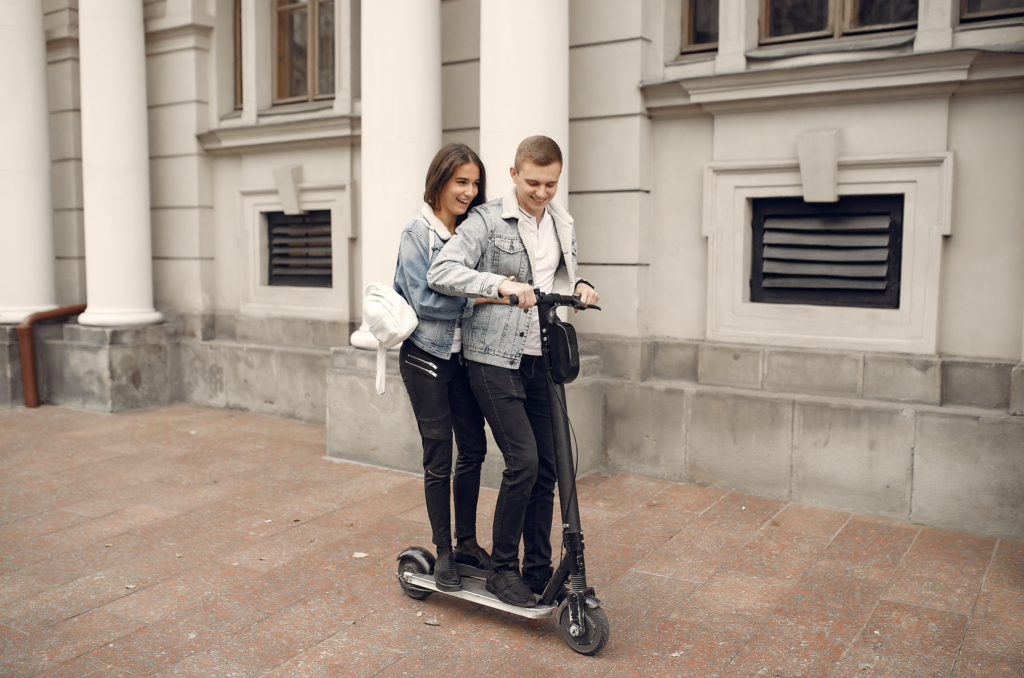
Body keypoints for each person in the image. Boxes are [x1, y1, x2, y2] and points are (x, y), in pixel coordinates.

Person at [427, 136, 599, 607]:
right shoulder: (485, 220)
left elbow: (559, 275)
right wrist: (499, 283)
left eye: (551, 183)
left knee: (547, 467)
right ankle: (504, 570)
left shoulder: (561, 220)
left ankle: (538, 570)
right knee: (522, 462)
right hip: (491, 357)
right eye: (533, 182)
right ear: (513, 174)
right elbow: (441, 271)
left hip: (540, 356)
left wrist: (580, 286)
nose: (542, 192)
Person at [393, 143, 496, 593]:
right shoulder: (418, 235)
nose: (470, 192)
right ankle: (444, 553)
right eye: (461, 182)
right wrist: (482, 295)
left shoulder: (471, 232)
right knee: (439, 454)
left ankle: (468, 541)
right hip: (425, 357)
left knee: (473, 448)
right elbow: (425, 301)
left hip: (461, 357)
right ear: (439, 181)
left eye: (475, 183)